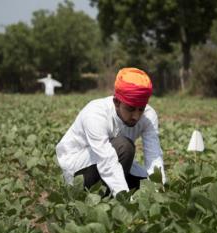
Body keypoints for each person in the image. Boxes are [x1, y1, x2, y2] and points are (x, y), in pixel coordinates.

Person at [56, 67, 165, 197]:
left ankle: (110, 194)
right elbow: (107, 159)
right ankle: (110, 197)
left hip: (117, 163)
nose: (136, 116)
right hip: (78, 170)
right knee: (124, 146)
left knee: (146, 187)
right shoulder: (95, 113)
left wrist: (159, 192)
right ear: (116, 102)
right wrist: (123, 199)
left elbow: (154, 156)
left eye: (140, 109)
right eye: (130, 109)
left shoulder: (148, 116)